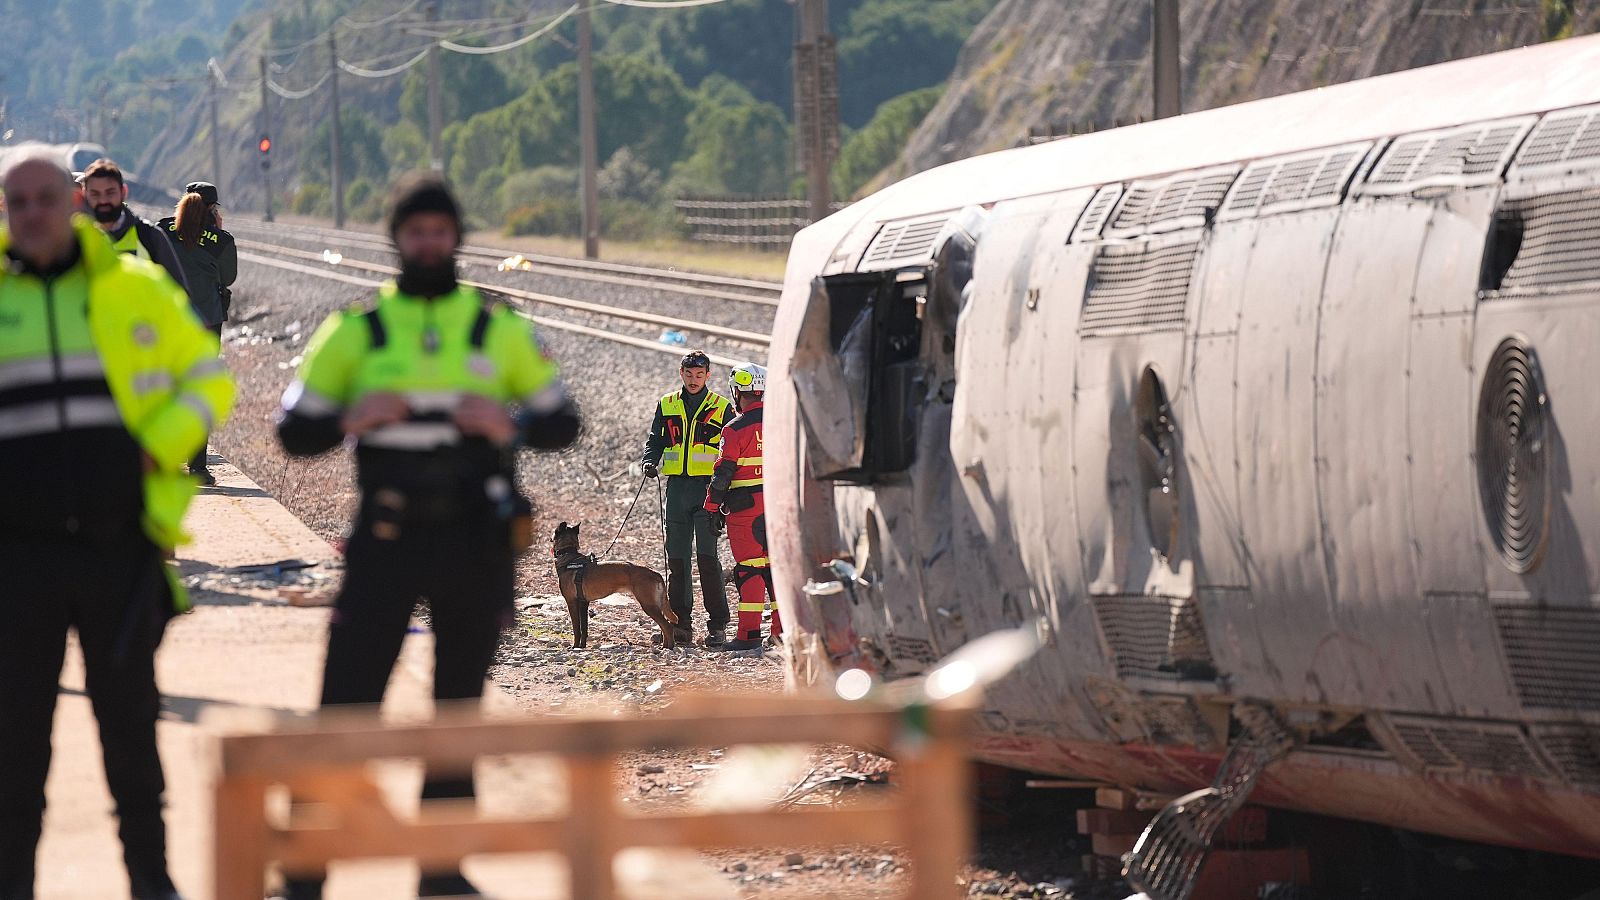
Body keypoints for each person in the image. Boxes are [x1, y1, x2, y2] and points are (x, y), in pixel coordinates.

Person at [275, 171, 580, 899]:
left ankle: (441, 870)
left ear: (456, 239)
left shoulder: (495, 328)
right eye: (416, 232)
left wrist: (510, 425)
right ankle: (306, 870)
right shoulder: (357, 332)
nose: (428, 243)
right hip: (386, 538)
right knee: (345, 701)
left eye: (440, 231)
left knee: (458, 707)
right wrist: (351, 417)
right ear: (397, 240)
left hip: (476, 543)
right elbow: (294, 433)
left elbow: (564, 421)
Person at [0, 152, 235, 900]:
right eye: (17, 202)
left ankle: (151, 881)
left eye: (46, 198)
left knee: (130, 728)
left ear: (70, 204)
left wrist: (160, 446)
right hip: (18, 555)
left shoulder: (131, 288)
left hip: (118, 549)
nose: (33, 213)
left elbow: (206, 377)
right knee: (14, 743)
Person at [640, 350, 733, 647]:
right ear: (681, 373)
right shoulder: (666, 404)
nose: (694, 380)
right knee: (677, 560)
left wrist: (725, 493)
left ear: (708, 376)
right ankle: (681, 625)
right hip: (677, 490)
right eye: (689, 374)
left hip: (708, 491)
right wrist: (649, 461)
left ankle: (717, 625)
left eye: (699, 375)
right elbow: (655, 440)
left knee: (708, 559)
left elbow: (731, 453)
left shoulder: (721, 407)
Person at [158, 182, 237, 485]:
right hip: (205, 324)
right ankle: (198, 467)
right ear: (212, 210)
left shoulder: (163, 230)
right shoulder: (220, 240)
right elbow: (228, 277)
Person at [703, 362, 778, 652]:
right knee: (774, 569)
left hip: (745, 510)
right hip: (775, 505)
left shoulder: (734, 430)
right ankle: (781, 634)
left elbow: (723, 473)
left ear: (738, 392)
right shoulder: (781, 424)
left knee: (749, 570)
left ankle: (747, 636)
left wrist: (711, 508)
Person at [77, 159, 188, 294]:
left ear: (123, 192)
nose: (103, 201)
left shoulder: (149, 238)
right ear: (84, 194)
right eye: (95, 194)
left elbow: (179, 296)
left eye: (110, 192)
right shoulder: (73, 242)